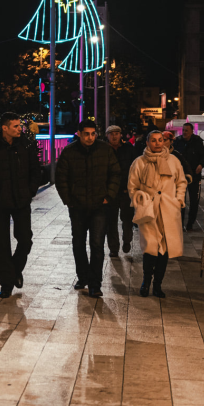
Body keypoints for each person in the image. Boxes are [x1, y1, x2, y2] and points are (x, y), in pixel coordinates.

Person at [0, 112, 41, 299]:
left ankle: (15, 270)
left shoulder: (27, 145)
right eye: (15, 126)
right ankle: (6, 284)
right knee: (2, 244)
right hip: (0, 203)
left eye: (19, 125)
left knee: (25, 239)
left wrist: (30, 191)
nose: (20, 128)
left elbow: (36, 171)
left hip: (22, 200)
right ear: (4, 128)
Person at [55, 120, 121, 298]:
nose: (90, 137)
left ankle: (95, 284)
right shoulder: (69, 152)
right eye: (86, 134)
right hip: (77, 206)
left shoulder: (105, 150)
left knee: (97, 245)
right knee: (78, 243)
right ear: (79, 134)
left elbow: (116, 173)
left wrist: (109, 195)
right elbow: (61, 177)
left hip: (100, 205)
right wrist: (68, 200)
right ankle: (82, 276)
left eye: (93, 134)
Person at [128, 130, 187, 298]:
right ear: (147, 142)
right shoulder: (139, 162)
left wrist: (179, 200)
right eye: (153, 140)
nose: (157, 143)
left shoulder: (173, 161)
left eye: (160, 140)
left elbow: (181, 181)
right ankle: (146, 282)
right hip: (149, 210)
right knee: (150, 248)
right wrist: (138, 200)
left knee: (165, 249)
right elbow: (132, 186)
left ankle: (158, 285)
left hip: (169, 210)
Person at [105, 125, 137, 256]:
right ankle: (113, 248)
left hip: (126, 191)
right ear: (107, 136)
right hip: (109, 192)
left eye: (117, 133)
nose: (114, 136)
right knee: (110, 221)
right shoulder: (103, 149)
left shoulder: (129, 149)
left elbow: (135, 168)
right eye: (111, 134)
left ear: (120, 135)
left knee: (127, 220)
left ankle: (127, 240)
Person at [173, 122, 204, 231]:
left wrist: (201, 165)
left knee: (194, 200)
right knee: (180, 200)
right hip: (180, 177)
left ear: (191, 131)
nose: (184, 132)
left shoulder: (197, 142)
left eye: (186, 130)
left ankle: (190, 223)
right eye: (183, 130)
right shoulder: (178, 142)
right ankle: (180, 223)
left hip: (194, 176)